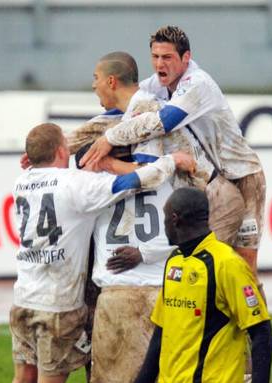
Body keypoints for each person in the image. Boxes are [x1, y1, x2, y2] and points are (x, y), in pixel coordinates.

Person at [10, 122, 194, 383]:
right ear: (62, 152)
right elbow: (130, 182)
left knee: (23, 377)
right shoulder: (76, 184)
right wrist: (171, 161)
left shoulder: (21, 182)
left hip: (23, 298)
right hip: (57, 303)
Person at [79, 26, 266, 281]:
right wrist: (71, 139)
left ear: (186, 58)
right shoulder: (158, 82)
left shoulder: (198, 83)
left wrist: (110, 139)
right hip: (210, 181)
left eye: (167, 57)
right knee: (207, 265)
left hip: (244, 176)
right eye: (155, 57)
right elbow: (125, 107)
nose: (159, 64)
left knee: (243, 265)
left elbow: (165, 121)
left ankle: (254, 319)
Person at [82, 51, 208, 383]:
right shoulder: (169, 175)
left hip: (117, 292)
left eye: (95, 79)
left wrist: (106, 160)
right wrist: (171, 163)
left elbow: (129, 177)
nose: (92, 86)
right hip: (164, 288)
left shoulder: (96, 180)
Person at [134, 187, 272, 383]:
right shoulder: (174, 261)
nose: (164, 224)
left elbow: (261, 332)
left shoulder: (226, 264)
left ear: (175, 219)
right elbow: (161, 332)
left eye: (164, 218)